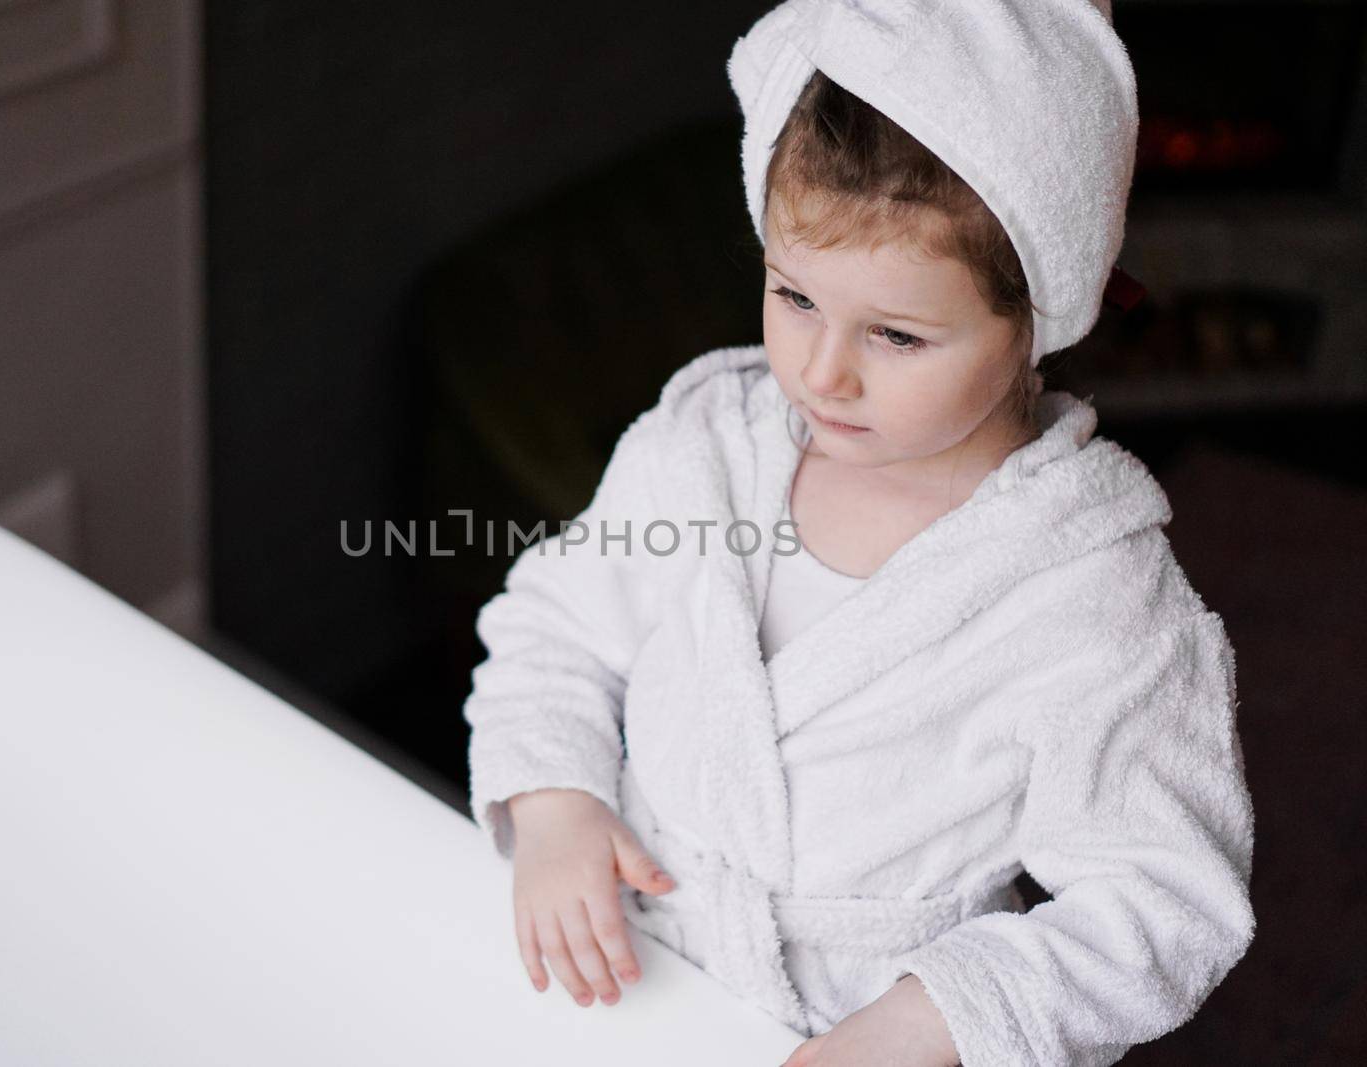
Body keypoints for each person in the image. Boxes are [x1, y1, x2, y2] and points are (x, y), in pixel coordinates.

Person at [461, 3, 1257, 1064]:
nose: (821, 372)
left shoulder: (1090, 593)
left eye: (894, 332)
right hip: (625, 971)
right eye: (793, 295)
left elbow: (1163, 898)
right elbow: (557, 622)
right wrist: (555, 801)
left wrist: (937, 1014)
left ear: (1037, 316)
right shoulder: (710, 445)